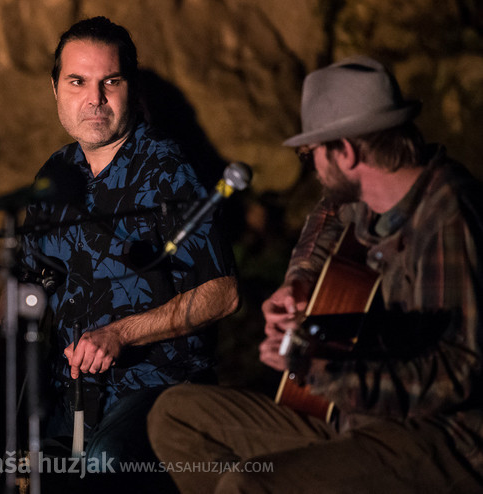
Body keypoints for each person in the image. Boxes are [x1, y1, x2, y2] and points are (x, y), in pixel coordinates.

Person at [147, 56, 483, 493]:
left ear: (345, 151)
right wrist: (300, 281)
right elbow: (329, 213)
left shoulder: (447, 216)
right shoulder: (371, 197)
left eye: (312, 154)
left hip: (435, 440)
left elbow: (458, 371)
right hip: (355, 418)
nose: (313, 168)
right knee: (175, 417)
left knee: (246, 485)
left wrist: (320, 372)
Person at [18, 15, 240, 478]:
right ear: (55, 89)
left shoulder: (166, 168)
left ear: (130, 89)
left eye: (109, 82)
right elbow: (25, 289)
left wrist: (121, 334)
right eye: (77, 81)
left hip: (159, 387)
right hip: (67, 395)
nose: (94, 99)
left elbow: (223, 292)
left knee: (105, 464)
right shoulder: (54, 175)